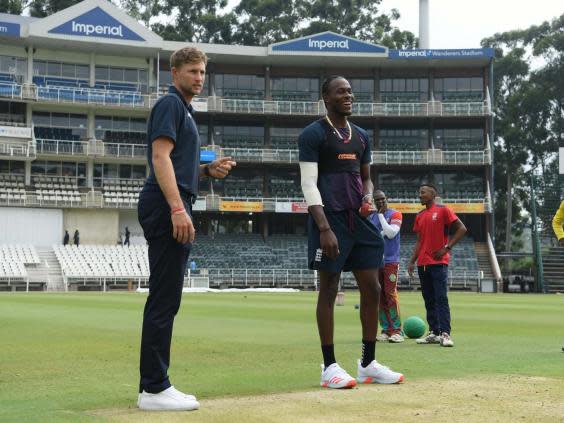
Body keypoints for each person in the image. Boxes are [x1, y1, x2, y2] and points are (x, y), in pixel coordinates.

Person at [136, 47, 236, 411]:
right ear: (174, 71)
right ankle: (153, 388)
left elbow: (177, 165)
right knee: (164, 298)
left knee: (168, 298)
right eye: (192, 70)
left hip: (173, 202)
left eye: (203, 72)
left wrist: (208, 172)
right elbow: (159, 157)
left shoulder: (184, 110)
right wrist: (178, 207)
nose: (199, 77)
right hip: (167, 205)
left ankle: (157, 384)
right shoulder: (170, 105)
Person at [298, 75, 403, 389]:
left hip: (361, 222)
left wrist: (369, 196)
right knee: (329, 289)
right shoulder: (313, 134)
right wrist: (324, 227)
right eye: (341, 91)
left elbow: (366, 177)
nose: (349, 95)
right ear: (326, 98)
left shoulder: (360, 135)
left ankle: (368, 363)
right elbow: (308, 183)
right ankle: (329, 367)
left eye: (350, 91)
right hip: (330, 221)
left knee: (373, 289)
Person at [407, 183, 467, 348]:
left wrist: (447, 248)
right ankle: (434, 332)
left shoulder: (443, 210)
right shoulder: (419, 215)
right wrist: (412, 261)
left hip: (439, 263)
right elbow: (419, 241)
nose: (420, 195)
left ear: (433, 194)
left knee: (441, 298)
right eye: (419, 192)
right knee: (428, 299)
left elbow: (462, 229)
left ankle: (445, 334)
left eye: (423, 192)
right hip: (423, 264)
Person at [368, 190, 404, 343]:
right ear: (374, 202)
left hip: (390, 261)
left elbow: (390, 233)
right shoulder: (370, 217)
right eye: (377, 200)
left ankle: (397, 331)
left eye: (382, 199)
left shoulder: (395, 214)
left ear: (387, 199)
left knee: (390, 294)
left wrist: (381, 215)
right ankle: (385, 329)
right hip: (375, 261)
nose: (381, 202)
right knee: (379, 295)